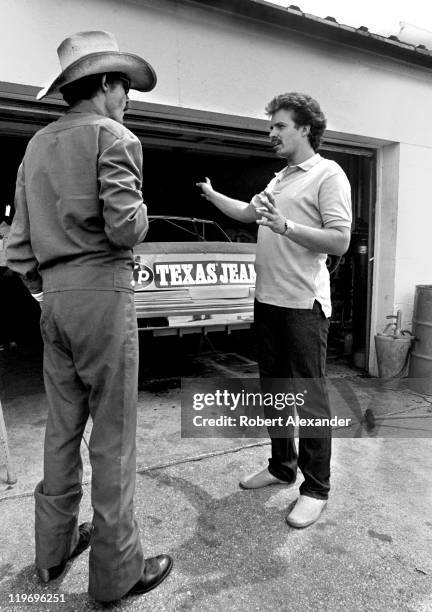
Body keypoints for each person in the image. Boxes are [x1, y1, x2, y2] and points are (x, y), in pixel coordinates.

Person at [6, 31, 173, 602]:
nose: (128, 97)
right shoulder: (114, 136)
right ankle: (117, 572)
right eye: (124, 85)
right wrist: (144, 213)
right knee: (114, 437)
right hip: (103, 293)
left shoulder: (35, 146)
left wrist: (49, 285)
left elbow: (16, 246)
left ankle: (51, 556)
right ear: (105, 83)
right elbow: (125, 226)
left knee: (61, 429)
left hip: (53, 299)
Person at [197, 92, 352, 528]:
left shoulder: (328, 174)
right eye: (271, 127)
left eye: (279, 126)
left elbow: (339, 239)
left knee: (310, 398)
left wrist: (287, 226)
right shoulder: (280, 178)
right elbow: (250, 213)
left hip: (303, 306)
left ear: (304, 128)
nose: (271, 134)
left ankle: (315, 487)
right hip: (268, 302)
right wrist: (212, 196)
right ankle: (282, 466)